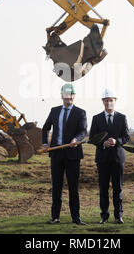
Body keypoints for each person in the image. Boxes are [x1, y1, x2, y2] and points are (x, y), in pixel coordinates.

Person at [42, 84, 88, 225]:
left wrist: (76, 139)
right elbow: (45, 128)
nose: (68, 97)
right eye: (66, 94)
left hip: (73, 155)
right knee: (56, 186)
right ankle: (55, 217)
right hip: (56, 153)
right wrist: (45, 143)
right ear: (62, 96)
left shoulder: (80, 112)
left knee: (73, 187)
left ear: (74, 96)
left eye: (71, 94)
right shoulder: (54, 111)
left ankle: (76, 218)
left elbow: (83, 131)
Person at [89, 89, 130, 224]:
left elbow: (126, 137)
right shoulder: (96, 118)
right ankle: (104, 216)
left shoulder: (122, 118)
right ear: (103, 102)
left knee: (118, 188)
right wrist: (103, 143)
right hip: (103, 158)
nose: (109, 103)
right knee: (103, 188)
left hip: (118, 159)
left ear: (115, 102)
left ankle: (118, 216)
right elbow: (92, 138)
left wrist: (116, 141)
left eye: (111, 100)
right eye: (106, 101)